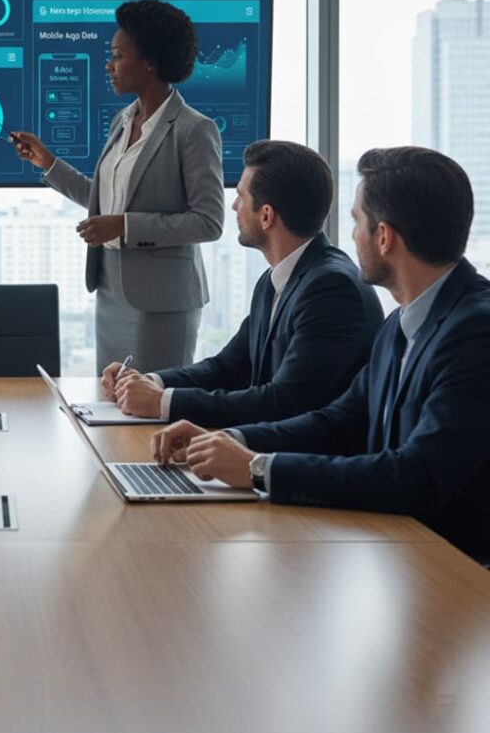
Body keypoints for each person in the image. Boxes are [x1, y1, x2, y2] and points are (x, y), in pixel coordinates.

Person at [151, 147, 490, 563]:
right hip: (394, 550)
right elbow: (338, 421)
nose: (351, 236)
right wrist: (227, 440)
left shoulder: (475, 332)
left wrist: (259, 469)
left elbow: (417, 476)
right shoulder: (400, 325)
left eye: (356, 221)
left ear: (384, 237)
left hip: (454, 573)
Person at [100, 140, 384, 427]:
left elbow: (284, 402)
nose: (234, 206)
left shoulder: (332, 289)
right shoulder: (275, 280)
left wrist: (162, 402)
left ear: (266, 215)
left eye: (241, 197)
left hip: (305, 462)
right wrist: (151, 381)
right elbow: (229, 367)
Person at [12, 0, 224, 370]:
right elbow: (104, 197)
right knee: (110, 401)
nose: (108, 65)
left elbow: (208, 221)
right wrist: (47, 162)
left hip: (162, 300)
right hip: (111, 289)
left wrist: (124, 226)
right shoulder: (122, 121)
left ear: (150, 62)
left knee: (149, 409)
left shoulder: (194, 129)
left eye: (117, 55)